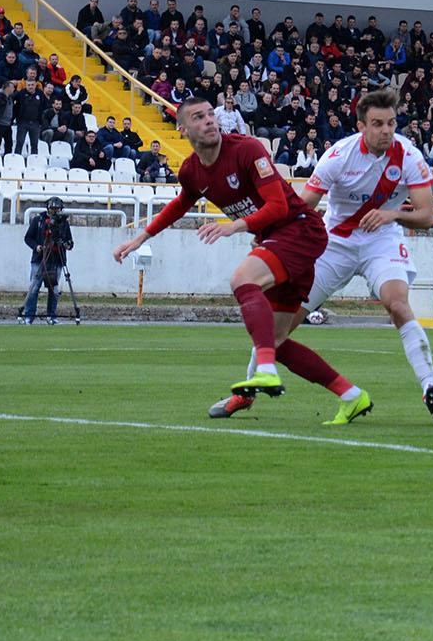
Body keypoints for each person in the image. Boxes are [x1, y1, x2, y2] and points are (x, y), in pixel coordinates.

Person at [114, 96, 366, 425]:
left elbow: (278, 206)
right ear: (183, 128)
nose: (208, 121)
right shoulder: (191, 170)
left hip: (299, 230)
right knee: (275, 340)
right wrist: (141, 237)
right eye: (198, 117)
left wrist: (235, 226)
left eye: (210, 115)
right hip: (277, 240)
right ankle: (351, 395)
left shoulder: (247, 149)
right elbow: (181, 203)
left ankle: (263, 372)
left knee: (242, 280)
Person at [215, 88, 433, 423]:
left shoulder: (409, 156)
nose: (386, 131)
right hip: (332, 243)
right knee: (280, 327)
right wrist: (273, 238)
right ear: (361, 126)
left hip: (381, 241)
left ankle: (430, 387)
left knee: (397, 304)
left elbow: (426, 215)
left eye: (391, 123)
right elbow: (303, 205)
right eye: (378, 124)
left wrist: (393, 215)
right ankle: (245, 394)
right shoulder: (339, 155)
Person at [19, 197, 73, 325]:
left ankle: (51, 316)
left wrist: (66, 245)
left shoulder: (63, 223)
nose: (54, 211)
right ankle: (29, 315)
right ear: (48, 208)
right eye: (52, 208)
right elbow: (28, 238)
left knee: (54, 289)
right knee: (34, 287)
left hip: (57, 260)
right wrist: (37, 247)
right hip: (40, 258)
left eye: (57, 209)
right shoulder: (38, 220)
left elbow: (70, 241)